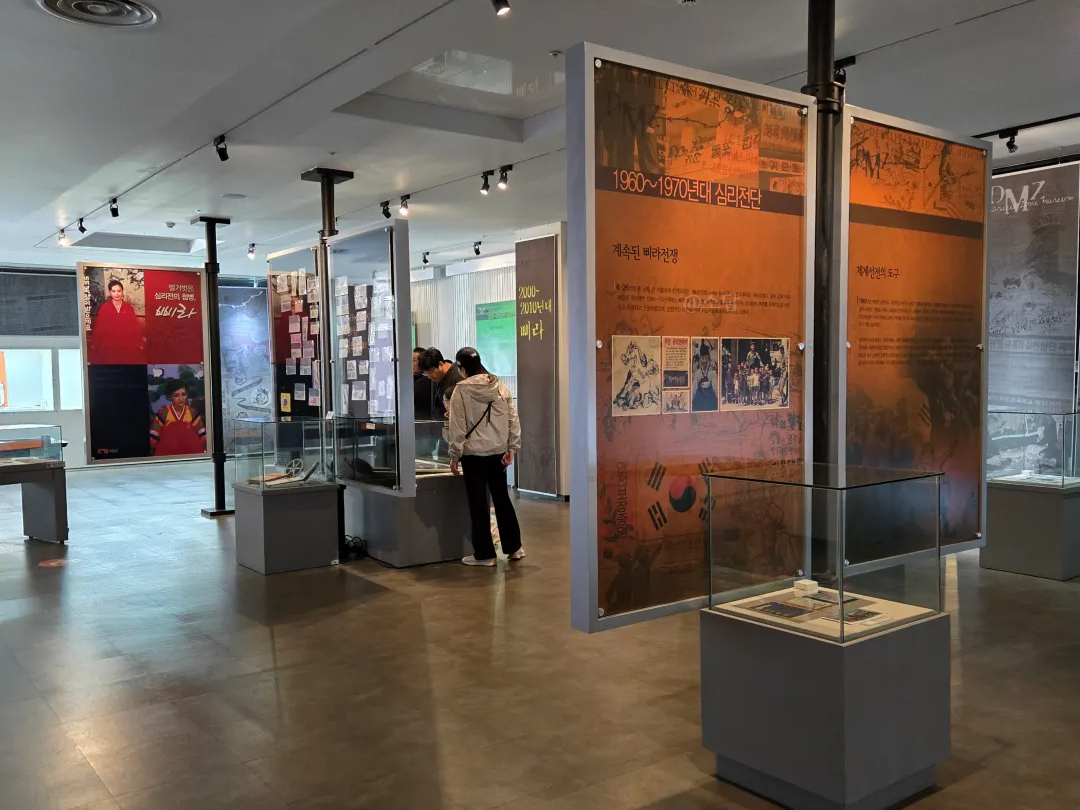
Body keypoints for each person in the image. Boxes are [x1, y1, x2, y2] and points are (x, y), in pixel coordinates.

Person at [446, 347, 523, 566]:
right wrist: (512, 448)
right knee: (502, 499)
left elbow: (458, 427)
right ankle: (514, 548)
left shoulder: (461, 391)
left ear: (460, 367)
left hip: (473, 455)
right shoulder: (500, 387)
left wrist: (454, 455)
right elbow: (513, 420)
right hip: (498, 453)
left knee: (478, 503)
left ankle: (485, 555)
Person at [89, 278, 145, 365]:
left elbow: (134, 327)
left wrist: (140, 343)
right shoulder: (105, 308)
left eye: (119, 291)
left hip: (126, 344)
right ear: (110, 292)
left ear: (122, 292)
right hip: (109, 345)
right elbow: (99, 329)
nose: (117, 294)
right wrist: (94, 345)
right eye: (113, 291)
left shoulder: (128, 308)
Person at [150, 380, 207, 456]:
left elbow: (202, 436)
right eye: (176, 395)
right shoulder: (163, 413)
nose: (181, 399)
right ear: (170, 396)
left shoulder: (193, 413)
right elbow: (153, 438)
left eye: (184, 394)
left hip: (191, 456)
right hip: (167, 456)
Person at [417, 348, 466, 420]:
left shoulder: (458, 375)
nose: (430, 377)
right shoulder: (438, 377)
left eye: (430, 372)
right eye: (426, 374)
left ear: (440, 364)